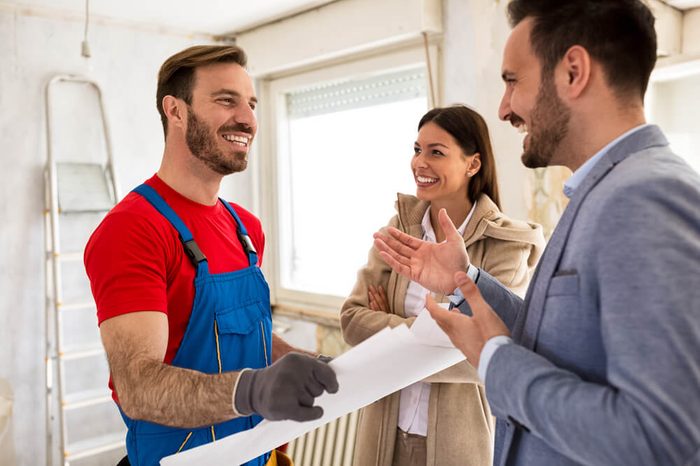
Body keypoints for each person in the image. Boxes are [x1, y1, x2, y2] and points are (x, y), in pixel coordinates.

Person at [373, 1, 700, 465]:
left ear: (573, 72)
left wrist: (496, 361)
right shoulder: (603, 190)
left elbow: (656, 438)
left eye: (512, 81)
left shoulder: (644, 197)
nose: (505, 108)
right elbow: (567, 345)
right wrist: (467, 280)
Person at [84, 45, 338, 466]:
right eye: (226, 100)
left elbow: (235, 339)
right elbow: (138, 386)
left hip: (257, 455)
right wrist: (253, 391)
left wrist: (306, 364)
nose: (247, 119)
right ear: (176, 111)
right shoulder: (134, 229)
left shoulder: (246, 230)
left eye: (252, 104)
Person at [341, 105, 545, 466]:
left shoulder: (507, 244)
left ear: (472, 164)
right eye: (417, 150)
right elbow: (353, 321)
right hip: (384, 434)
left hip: (458, 443)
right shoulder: (400, 229)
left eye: (436, 152)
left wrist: (387, 330)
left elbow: (483, 354)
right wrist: (442, 333)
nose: (420, 162)